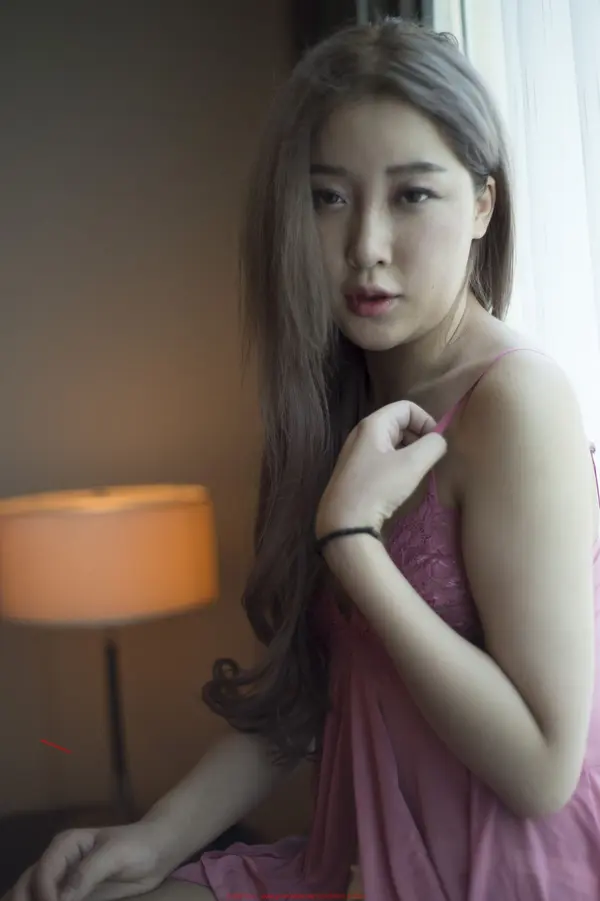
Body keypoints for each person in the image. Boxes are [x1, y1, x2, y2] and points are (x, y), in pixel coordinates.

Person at [8, 16, 600, 901]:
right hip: (353, 862)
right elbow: (310, 690)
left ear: (483, 204)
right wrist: (155, 835)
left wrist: (354, 547)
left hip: (508, 871)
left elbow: (544, 769)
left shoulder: (516, 402)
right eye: (329, 198)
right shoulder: (332, 403)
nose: (366, 245)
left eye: (412, 194)